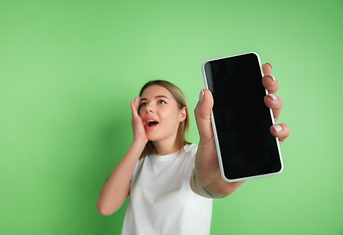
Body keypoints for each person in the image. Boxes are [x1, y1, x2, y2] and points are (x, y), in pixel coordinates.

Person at [96, 63, 291, 235]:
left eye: (161, 101)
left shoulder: (196, 157)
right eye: (143, 103)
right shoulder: (136, 163)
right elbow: (106, 207)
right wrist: (138, 141)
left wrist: (213, 185)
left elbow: (205, 185)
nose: (148, 108)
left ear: (182, 114)